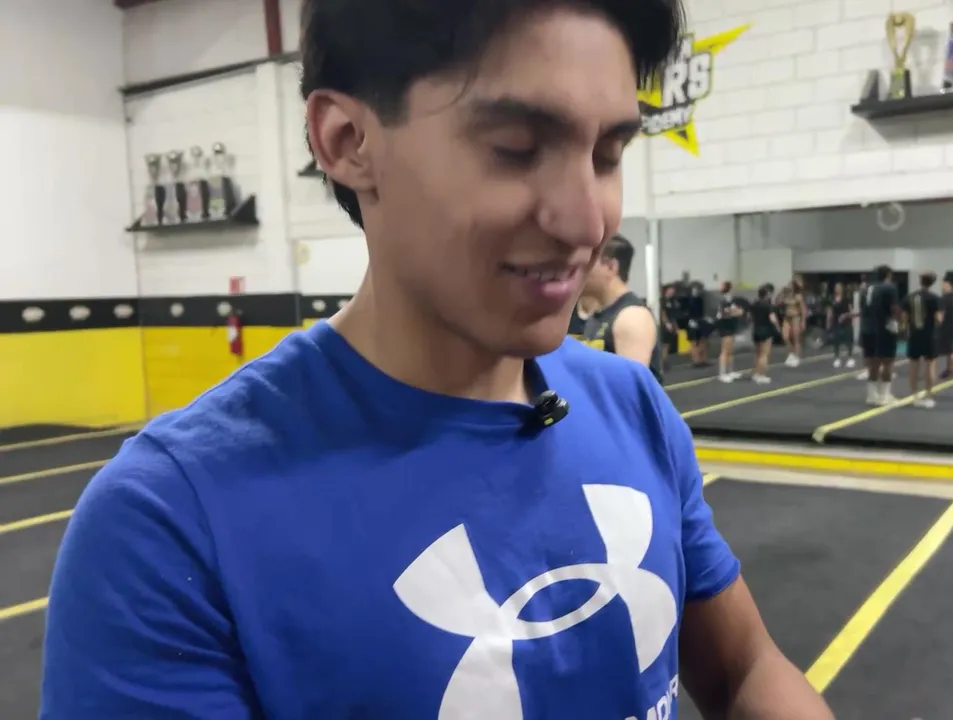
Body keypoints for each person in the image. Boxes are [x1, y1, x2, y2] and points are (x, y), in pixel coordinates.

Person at [41, 2, 836, 718]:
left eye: (607, 153)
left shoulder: (633, 407)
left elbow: (744, 670)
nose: (586, 221)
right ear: (346, 141)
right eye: (517, 149)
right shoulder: (170, 524)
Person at [580, 234, 661, 380]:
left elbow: (629, 389)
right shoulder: (598, 314)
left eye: (586, 264)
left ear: (611, 267)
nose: (577, 272)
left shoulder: (631, 317)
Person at [861, 265, 900, 405]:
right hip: (884, 328)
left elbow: (864, 310)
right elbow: (894, 308)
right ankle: (885, 395)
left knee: (873, 363)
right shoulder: (889, 288)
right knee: (888, 361)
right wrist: (898, 321)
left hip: (867, 329)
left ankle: (872, 395)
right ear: (888, 275)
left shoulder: (866, 289)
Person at [903, 271, 943, 408]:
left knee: (913, 365)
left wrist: (906, 329)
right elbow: (939, 318)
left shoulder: (910, 297)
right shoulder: (934, 298)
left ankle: (914, 395)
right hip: (929, 335)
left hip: (914, 335)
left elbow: (904, 318)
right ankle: (929, 395)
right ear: (932, 283)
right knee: (930, 365)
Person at [714, 280, 747, 383]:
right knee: (725, 350)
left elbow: (738, 311)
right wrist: (735, 312)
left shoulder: (730, 299)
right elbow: (725, 313)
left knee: (730, 350)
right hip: (725, 327)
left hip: (731, 326)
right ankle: (722, 374)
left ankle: (730, 371)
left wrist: (736, 312)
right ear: (730, 289)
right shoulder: (724, 300)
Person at [750, 284, 781, 384]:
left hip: (756, 330)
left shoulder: (754, 304)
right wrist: (778, 327)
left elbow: (750, 317)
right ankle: (761, 375)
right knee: (764, 355)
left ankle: (755, 373)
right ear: (767, 294)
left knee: (757, 354)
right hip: (766, 331)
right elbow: (773, 319)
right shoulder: (768, 305)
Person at [937, 277, 953, 379]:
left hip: (945, 328)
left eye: (943, 284)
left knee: (946, 350)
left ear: (948, 285)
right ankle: (950, 369)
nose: (942, 287)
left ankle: (948, 369)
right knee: (951, 349)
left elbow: (940, 317)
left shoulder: (943, 299)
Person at [827, 283, 856, 368]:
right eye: (836, 288)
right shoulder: (832, 299)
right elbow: (830, 311)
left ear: (842, 289)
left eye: (839, 288)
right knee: (836, 341)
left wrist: (845, 315)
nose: (837, 289)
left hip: (846, 322)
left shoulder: (846, 299)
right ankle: (837, 358)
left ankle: (850, 358)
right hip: (836, 322)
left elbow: (852, 312)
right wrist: (828, 323)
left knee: (848, 340)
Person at [779, 281, 806, 367]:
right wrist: (782, 292)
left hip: (795, 318)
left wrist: (803, 321)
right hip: (787, 318)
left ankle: (796, 357)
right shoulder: (785, 295)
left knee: (795, 338)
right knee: (785, 336)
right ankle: (791, 355)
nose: (789, 286)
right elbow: (777, 302)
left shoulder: (798, 296)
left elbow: (803, 309)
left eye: (790, 285)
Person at [686, 281, 710, 367]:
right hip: (692, 321)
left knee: (702, 341)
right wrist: (690, 320)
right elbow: (687, 312)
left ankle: (702, 359)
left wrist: (705, 318)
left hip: (700, 321)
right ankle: (696, 361)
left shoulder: (700, 299)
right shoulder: (688, 300)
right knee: (694, 342)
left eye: (697, 289)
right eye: (694, 289)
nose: (696, 291)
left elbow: (702, 311)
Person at [659, 284, 681, 371]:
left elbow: (673, 314)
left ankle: (664, 361)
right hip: (665, 325)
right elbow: (663, 313)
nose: (671, 293)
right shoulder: (663, 301)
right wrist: (667, 323)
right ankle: (662, 363)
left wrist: (675, 325)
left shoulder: (672, 301)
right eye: (670, 291)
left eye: (673, 291)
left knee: (667, 345)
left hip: (671, 323)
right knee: (665, 344)